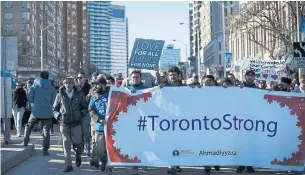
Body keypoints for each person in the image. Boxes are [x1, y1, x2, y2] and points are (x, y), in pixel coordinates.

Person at [53, 77, 88, 172]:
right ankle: (68, 165)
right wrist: (58, 116)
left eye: (70, 83)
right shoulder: (60, 95)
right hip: (64, 123)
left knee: (78, 143)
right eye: (66, 83)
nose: (68, 85)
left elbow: (85, 107)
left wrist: (80, 114)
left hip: (76, 123)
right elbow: (54, 109)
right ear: (64, 84)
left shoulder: (79, 94)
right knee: (66, 143)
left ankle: (78, 155)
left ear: (73, 84)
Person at [23, 71, 56, 156]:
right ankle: (45, 150)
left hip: (36, 111)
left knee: (29, 125)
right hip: (48, 112)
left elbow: (30, 98)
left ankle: (25, 141)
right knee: (46, 131)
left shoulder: (35, 85)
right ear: (48, 77)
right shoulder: (51, 87)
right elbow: (54, 100)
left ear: (40, 76)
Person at [89, 77, 112, 173]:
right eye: (95, 84)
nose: (96, 86)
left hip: (112, 127)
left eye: (98, 84)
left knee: (110, 148)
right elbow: (91, 110)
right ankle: (103, 160)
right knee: (99, 148)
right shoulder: (94, 96)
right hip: (100, 126)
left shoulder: (111, 94)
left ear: (103, 85)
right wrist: (98, 119)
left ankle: (108, 166)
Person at [237, 70, 256, 173]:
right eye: (248, 76)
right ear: (245, 77)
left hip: (253, 120)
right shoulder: (239, 88)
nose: (250, 77)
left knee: (251, 143)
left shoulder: (258, 89)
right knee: (241, 143)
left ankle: (249, 164)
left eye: (252, 76)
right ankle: (241, 164)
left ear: (254, 77)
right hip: (240, 119)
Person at [77, 73, 92, 156]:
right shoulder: (76, 87)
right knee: (78, 132)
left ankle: (87, 149)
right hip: (77, 113)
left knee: (85, 131)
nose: (79, 79)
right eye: (78, 77)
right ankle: (79, 149)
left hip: (86, 112)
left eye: (80, 77)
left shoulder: (89, 88)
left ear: (85, 78)